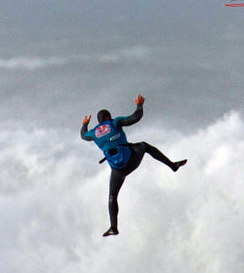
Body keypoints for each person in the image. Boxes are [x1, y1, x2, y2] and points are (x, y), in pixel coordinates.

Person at [80, 94, 186, 237]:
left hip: (117, 170)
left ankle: (113, 227)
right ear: (108, 117)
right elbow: (136, 117)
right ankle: (172, 165)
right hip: (131, 161)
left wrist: (84, 124)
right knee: (144, 145)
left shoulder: (93, 133)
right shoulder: (114, 123)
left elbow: (83, 135)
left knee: (112, 196)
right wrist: (139, 104)